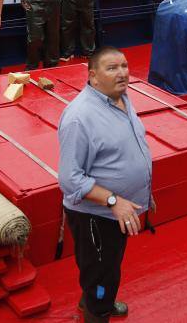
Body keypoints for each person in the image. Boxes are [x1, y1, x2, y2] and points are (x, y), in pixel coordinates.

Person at [58, 46, 154, 323]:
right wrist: (114, 201)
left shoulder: (121, 98)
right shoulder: (79, 118)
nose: (122, 73)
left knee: (105, 265)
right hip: (97, 217)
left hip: (120, 211)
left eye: (124, 66)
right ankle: (98, 308)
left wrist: (144, 189)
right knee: (102, 274)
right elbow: (69, 179)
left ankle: (95, 299)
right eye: (112, 68)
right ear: (93, 76)